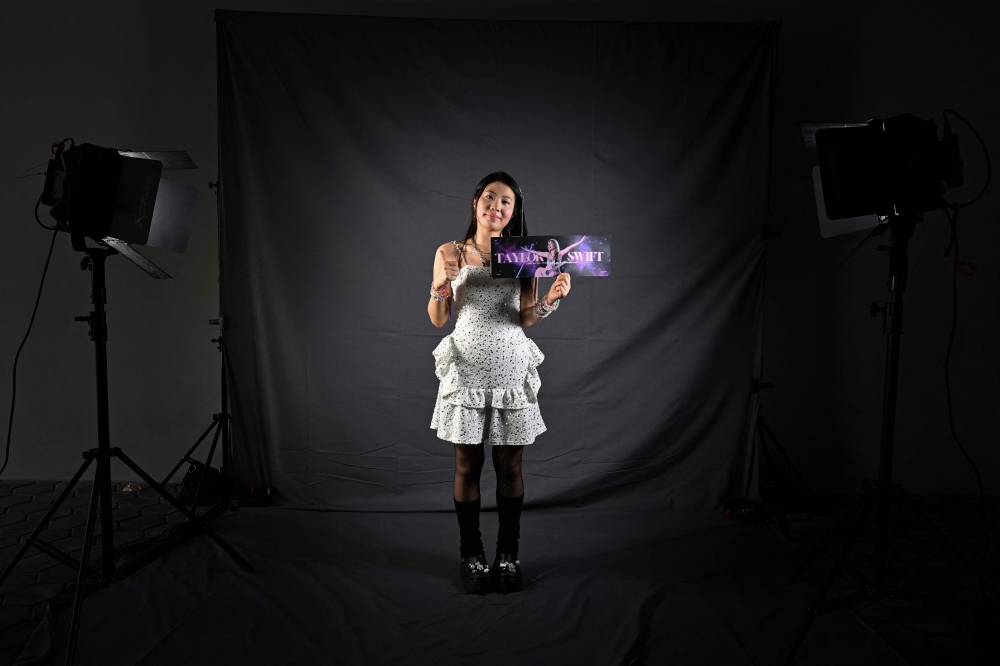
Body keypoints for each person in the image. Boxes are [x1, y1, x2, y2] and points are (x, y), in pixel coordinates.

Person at [428, 172, 571, 594]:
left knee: (510, 466)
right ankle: (471, 555)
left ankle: (509, 555)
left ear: (513, 212)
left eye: (506, 202)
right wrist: (440, 288)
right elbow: (439, 320)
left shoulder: (524, 256)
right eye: (490, 197)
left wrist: (549, 303)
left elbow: (525, 317)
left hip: (510, 365)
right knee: (467, 465)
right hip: (467, 367)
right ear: (476, 203)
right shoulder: (449, 252)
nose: (497, 205)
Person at [519, 236, 588, 277]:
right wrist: (528, 250)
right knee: (539, 270)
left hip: (556, 275)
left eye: (551, 243)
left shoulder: (560, 254)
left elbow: (570, 247)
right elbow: (537, 252)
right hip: (547, 276)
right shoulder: (547, 254)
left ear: (555, 245)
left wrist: (580, 242)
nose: (549, 245)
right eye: (548, 243)